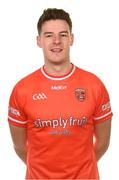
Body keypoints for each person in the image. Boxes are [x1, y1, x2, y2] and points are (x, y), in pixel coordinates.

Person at [8, 8, 113, 179]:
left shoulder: (94, 85)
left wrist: (81, 167)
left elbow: (103, 143)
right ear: (39, 40)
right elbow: (20, 147)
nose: (56, 41)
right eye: (49, 35)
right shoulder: (22, 89)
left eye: (63, 35)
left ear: (71, 39)